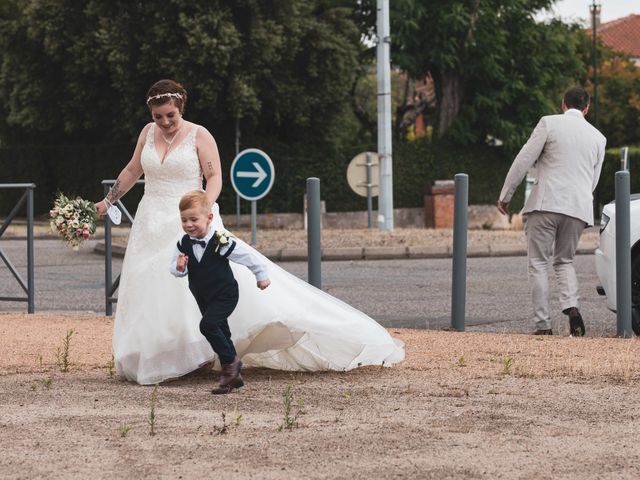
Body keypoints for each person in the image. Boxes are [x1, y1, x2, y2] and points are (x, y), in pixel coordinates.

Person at [96, 79, 404, 385]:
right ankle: (162, 353)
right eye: (157, 117)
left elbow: (214, 176)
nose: (164, 122)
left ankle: (197, 353)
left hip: (191, 219)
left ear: (181, 109)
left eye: (170, 116)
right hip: (150, 220)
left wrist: (204, 209)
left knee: (193, 287)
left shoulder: (199, 135)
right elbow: (133, 169)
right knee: (152, 287)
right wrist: (107, 201)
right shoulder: (147, 134)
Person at [497, 87, 606, 336]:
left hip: (546, 203)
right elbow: (593, 179)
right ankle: (572, 306)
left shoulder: (549, 123)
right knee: (564, 261)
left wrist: (506, 195)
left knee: (537, 262)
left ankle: (543, 325)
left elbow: (524, 159)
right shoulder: (599, 138)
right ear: (586, 108)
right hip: (578, 208)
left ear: (563, 104)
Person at [170, 190, 270, 394]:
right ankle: (233, 377)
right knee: (222, 331)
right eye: (184, 220)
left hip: (225, 293)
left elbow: (246, 255)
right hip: (202, 294)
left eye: (194, 219)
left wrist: (261, 275)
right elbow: (175, 269)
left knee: (207, 325)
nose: (188, 224)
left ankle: (230, 363)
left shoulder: (220, 240)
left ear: (209, 218)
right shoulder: (183, 243)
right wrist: (179, 267)